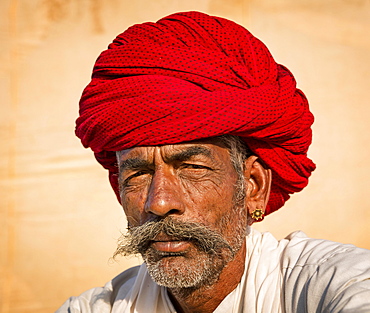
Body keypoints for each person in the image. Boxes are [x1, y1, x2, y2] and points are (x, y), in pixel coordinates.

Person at [57, 11, 370, 313]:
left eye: (192, 168)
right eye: (138, 173)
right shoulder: (93, 308)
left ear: (253, 187)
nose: (160, 203)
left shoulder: (335, 284)